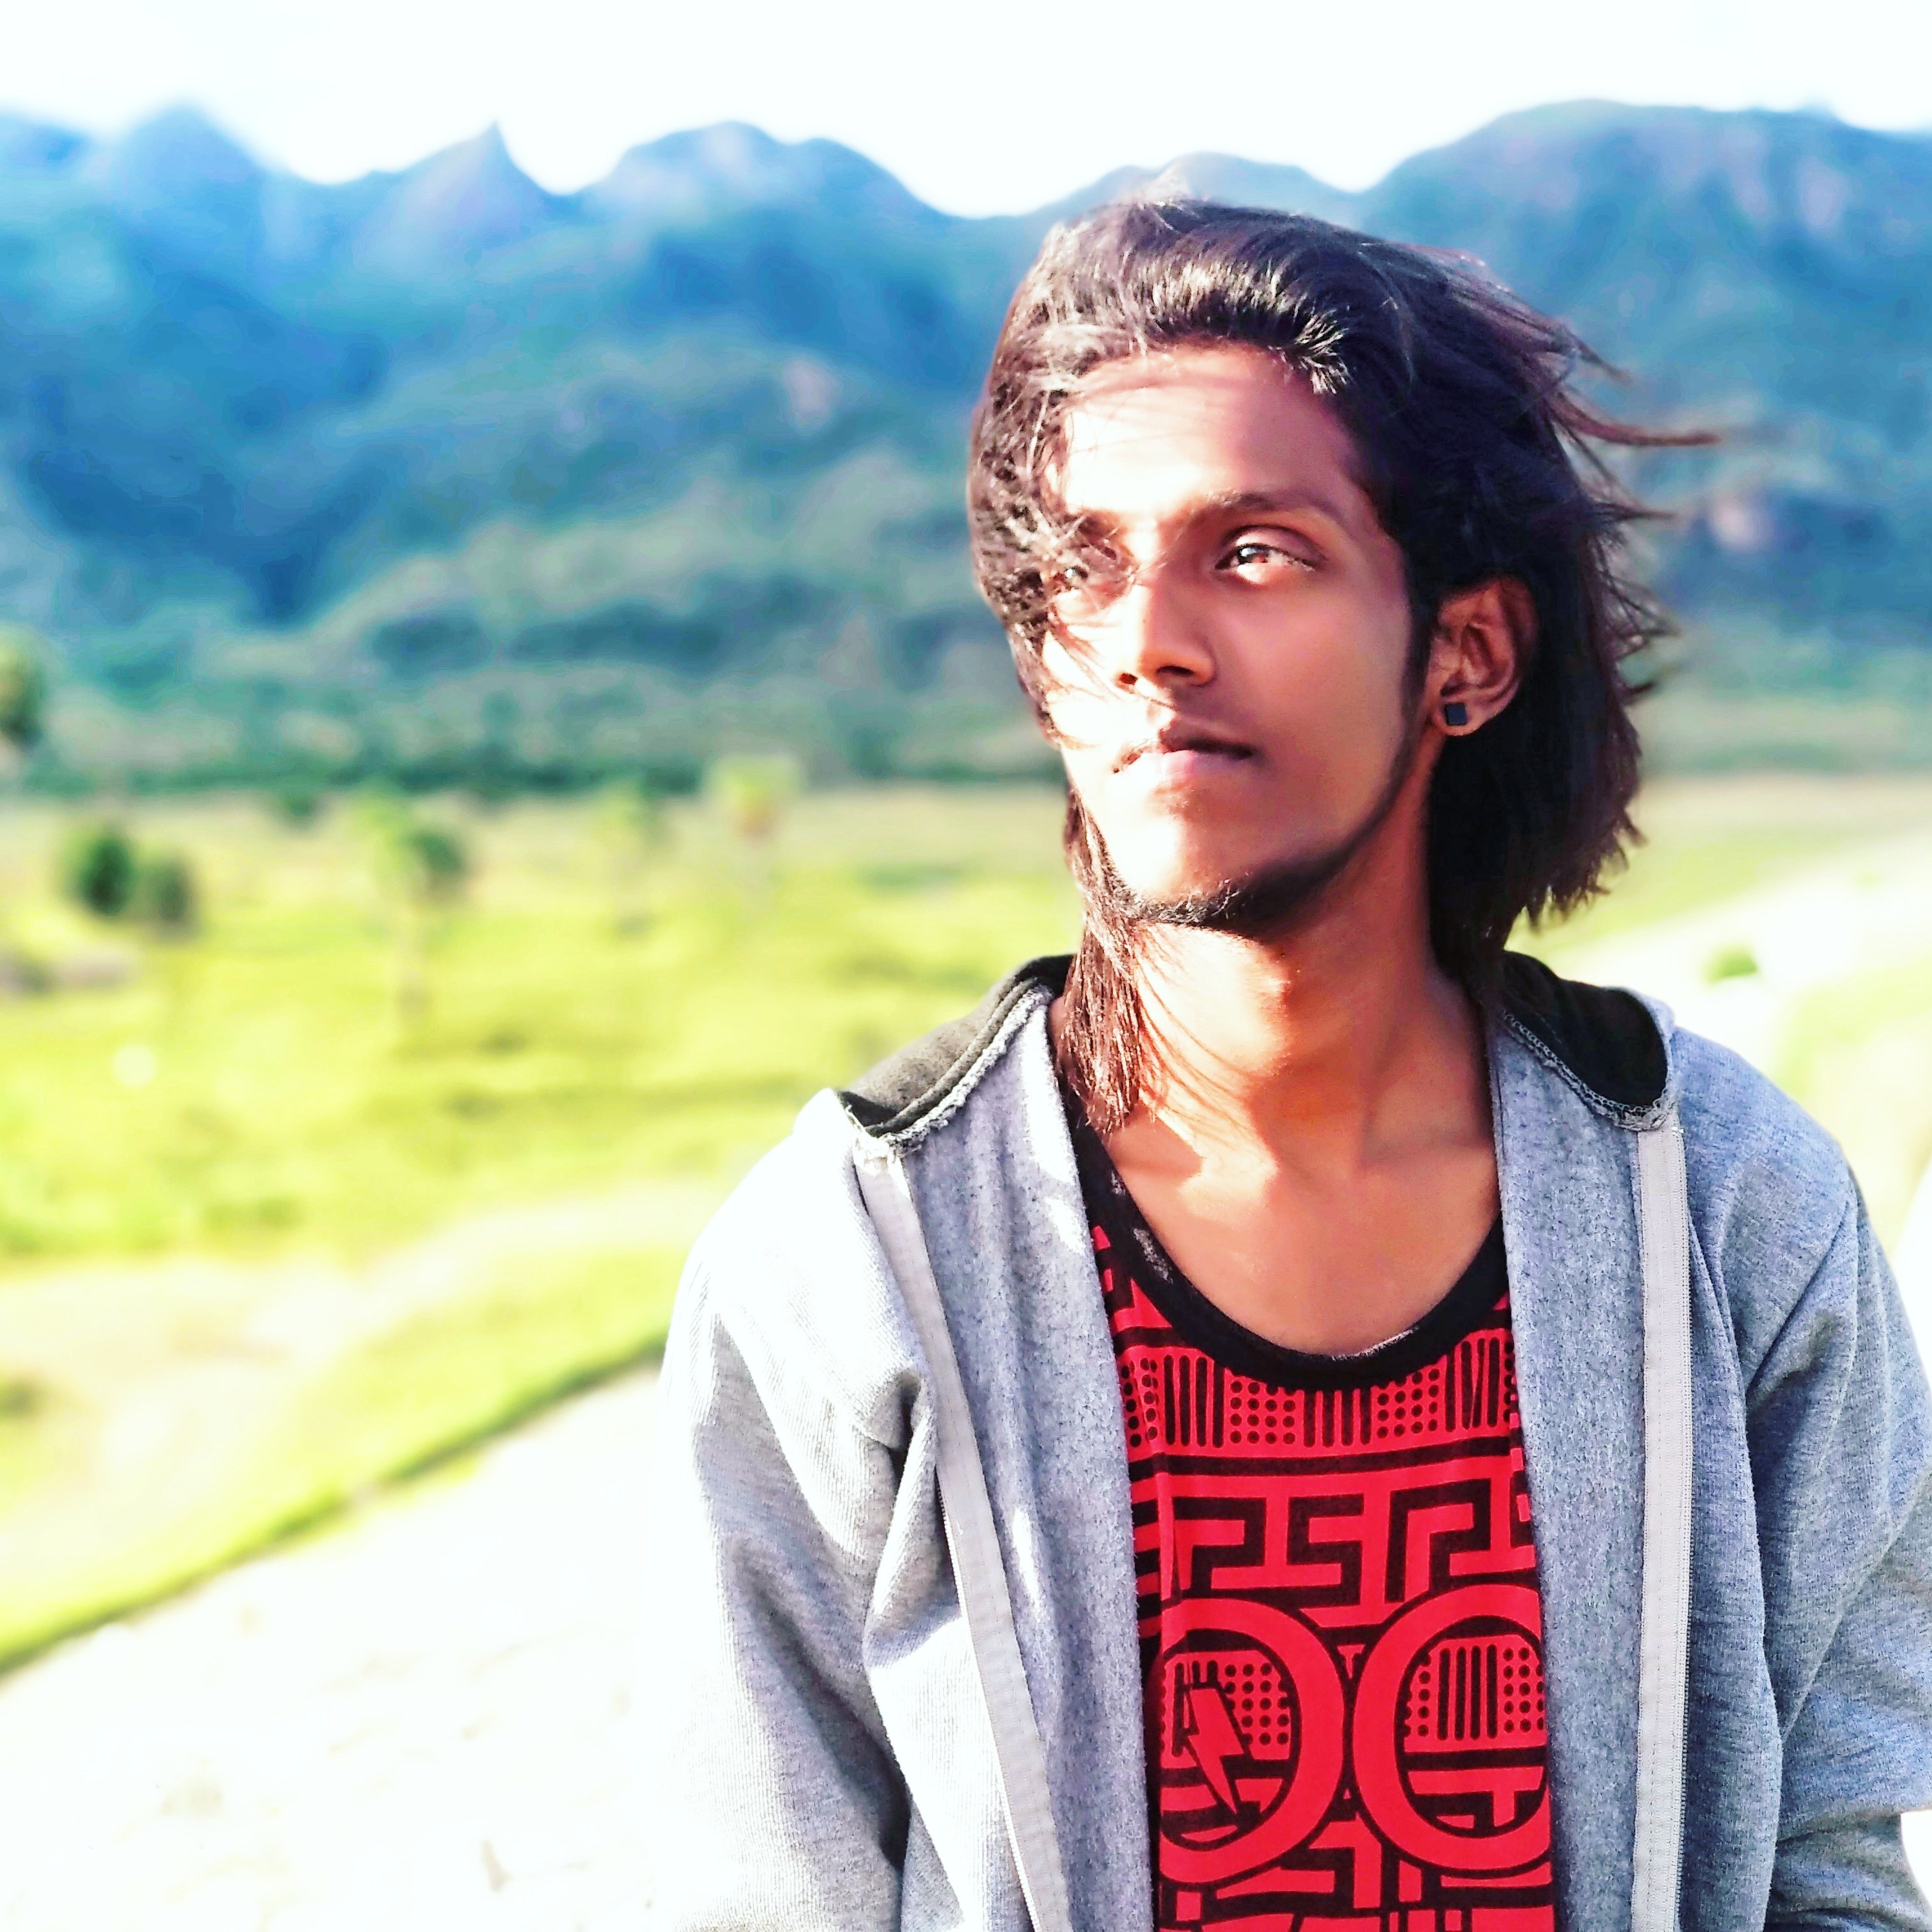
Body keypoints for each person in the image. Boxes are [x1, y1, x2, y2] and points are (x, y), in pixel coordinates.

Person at [649, 201, 1932, 1930]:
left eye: (1253, 552)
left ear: (1466, 653)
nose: (1146, 638)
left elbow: (1834, 1869)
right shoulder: (854, 1264)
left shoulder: (1728, 1213)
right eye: (1084, 566)